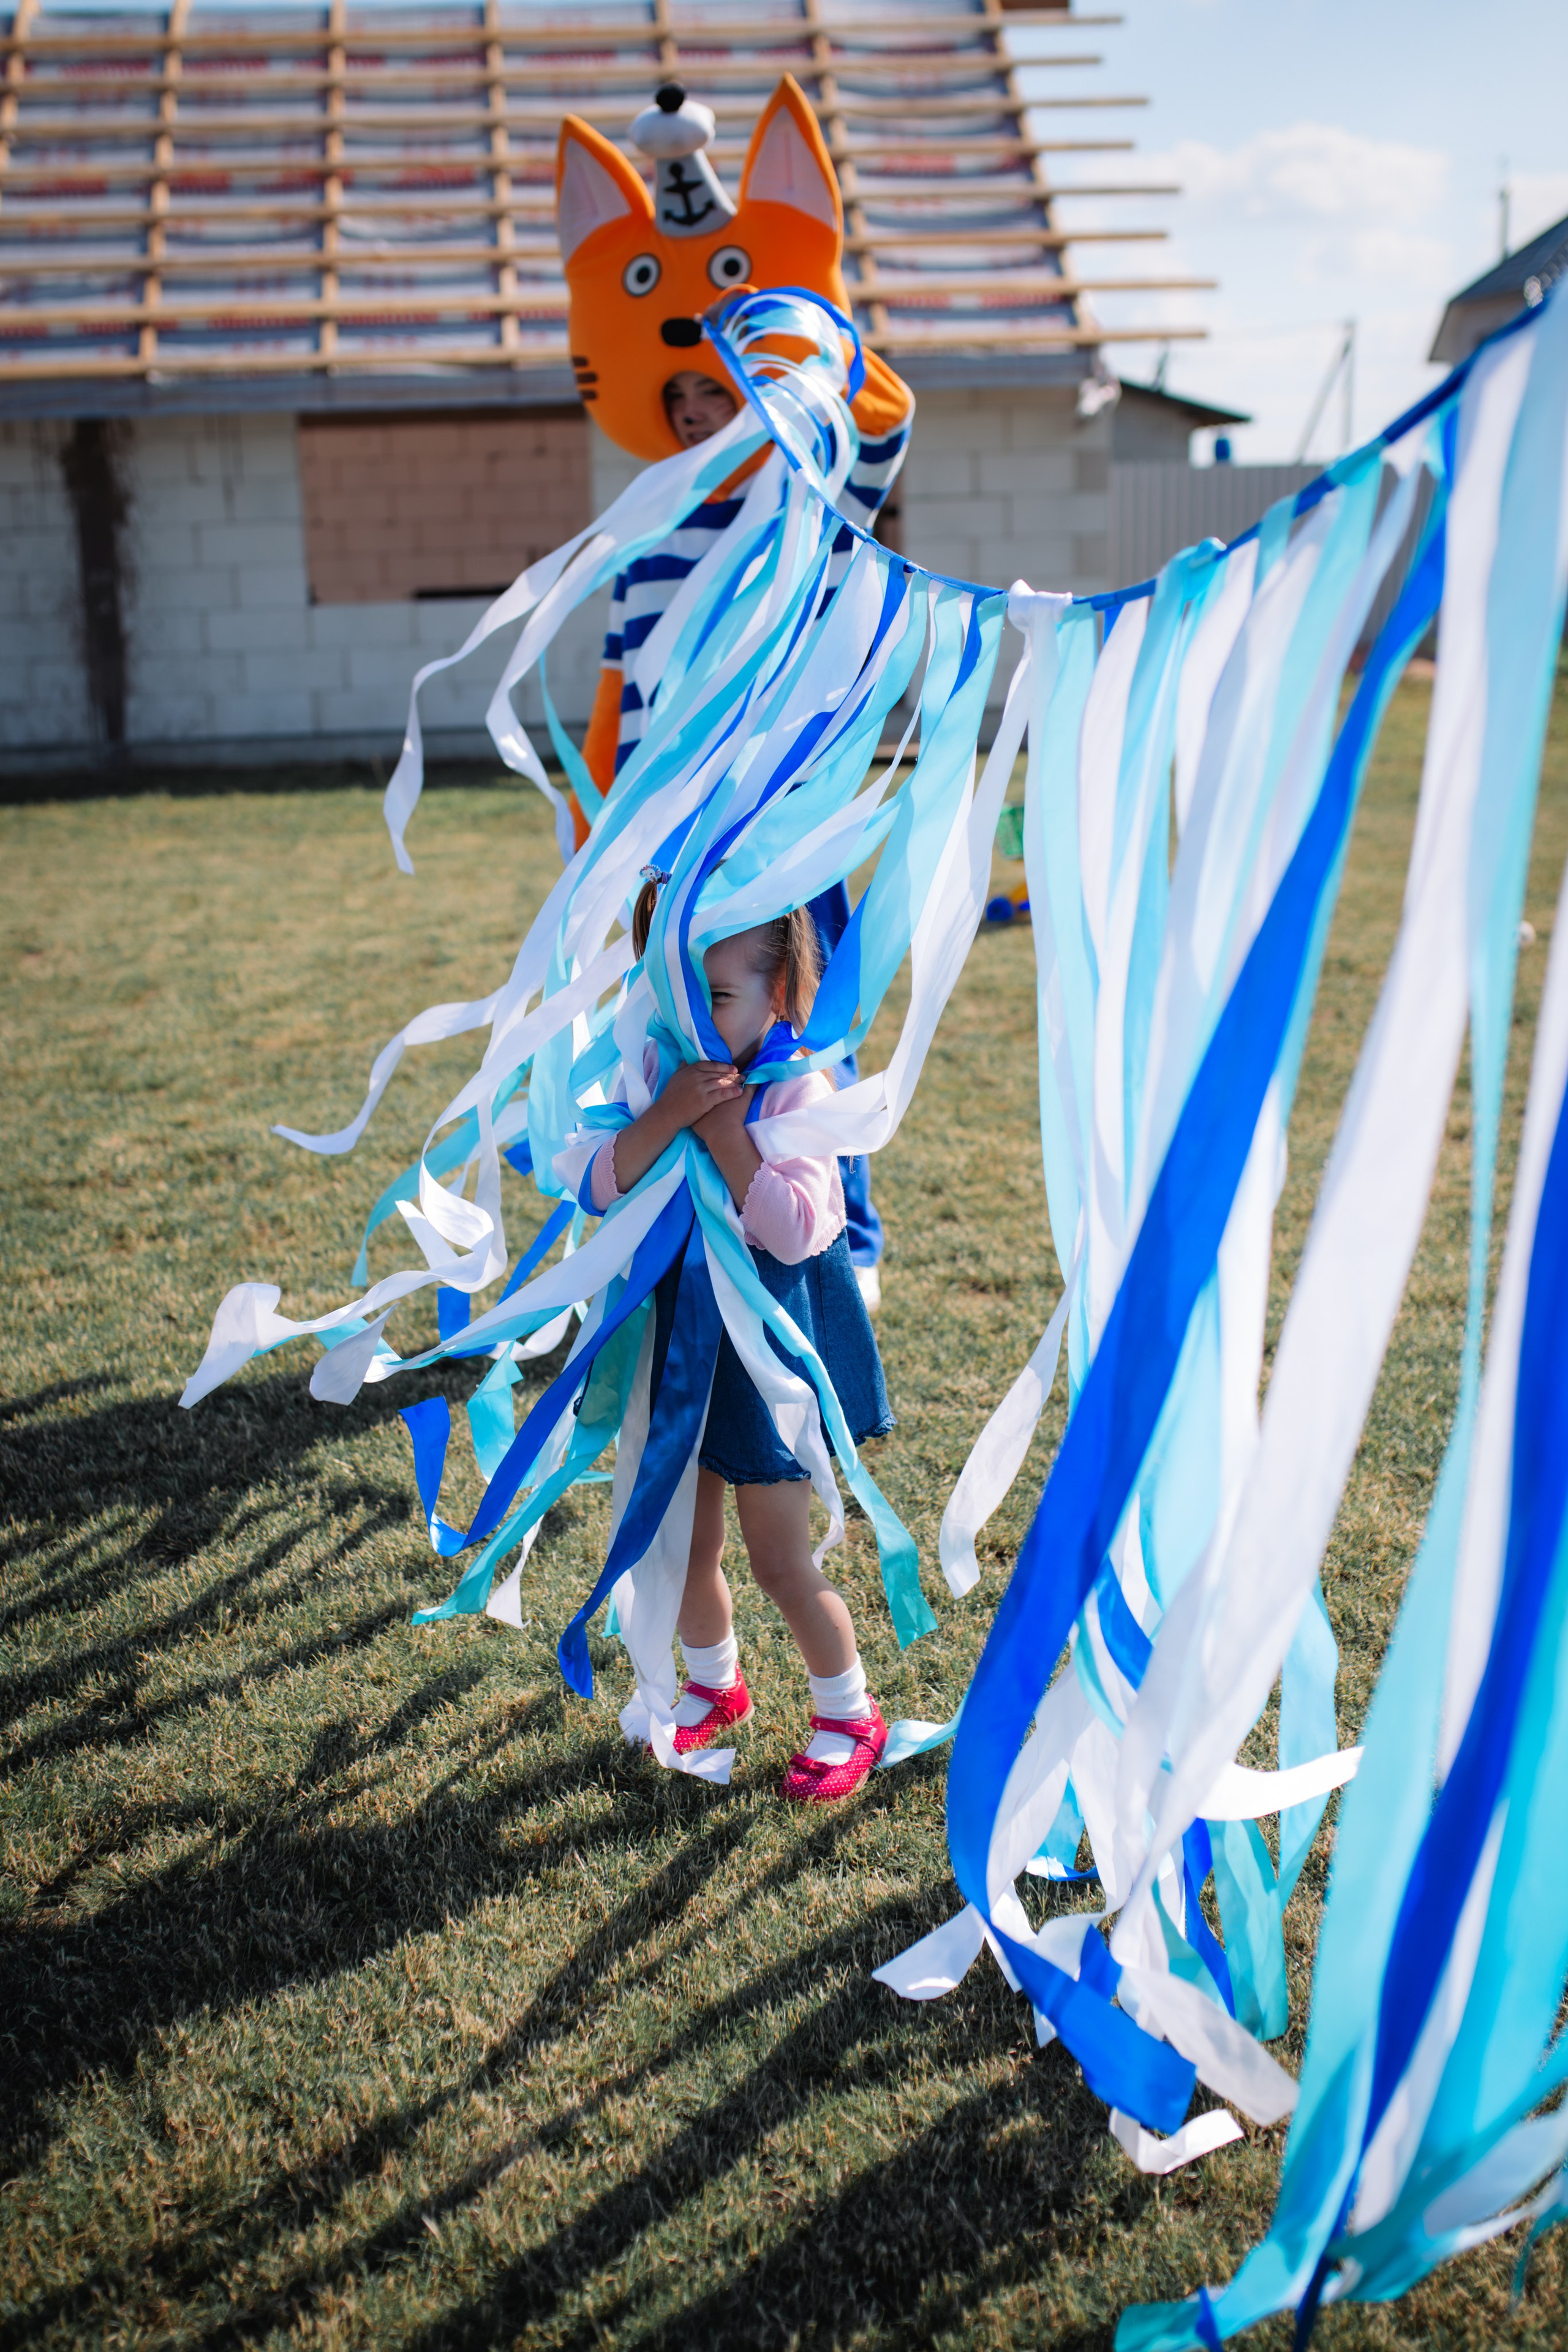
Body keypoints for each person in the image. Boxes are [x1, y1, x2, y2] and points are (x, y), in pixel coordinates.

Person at [582, 875, 893, 1801]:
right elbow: (600, 1182)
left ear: (781, 995)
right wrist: (671, 1113)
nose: (698, 1019)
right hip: (683, 1347)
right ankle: (714, 1685)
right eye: (681, 994)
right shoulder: (658, 1068)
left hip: (765, 1354)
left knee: (777, 1555)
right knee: (684, 1539)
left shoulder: (800, 1088)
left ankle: (849, 1712)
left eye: (719, 999)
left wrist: (726, 1134)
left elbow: (800, 1229)